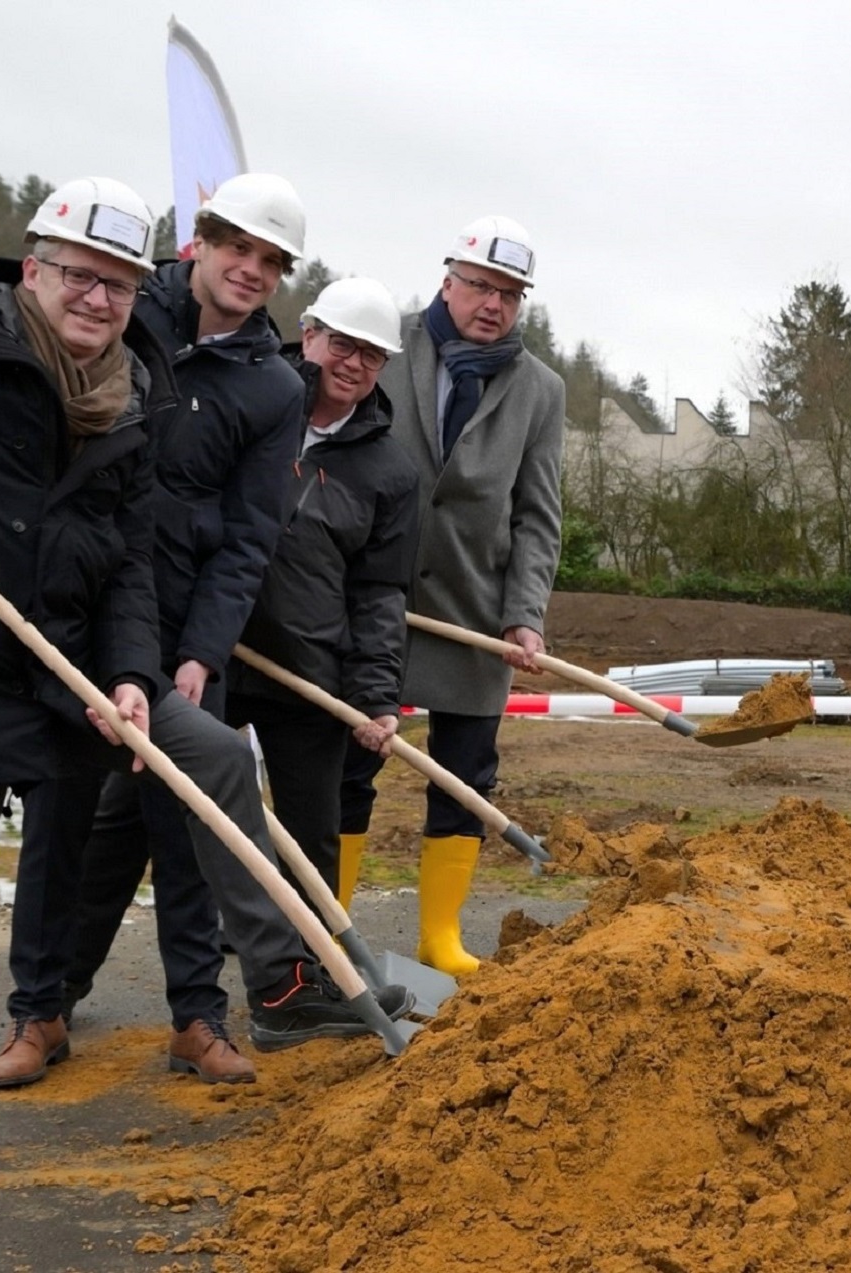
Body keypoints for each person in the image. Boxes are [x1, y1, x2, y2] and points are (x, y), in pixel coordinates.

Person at [0, 179, 407, 1168]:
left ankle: (285, 983)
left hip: (69, 658)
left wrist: (130, 676)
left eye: (115, 283)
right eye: (79, 276)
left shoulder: (128, 395)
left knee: (209, 757)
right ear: (34, 268)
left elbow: (128, 555)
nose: (98, 299)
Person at [0, 174, 343, 1089]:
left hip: (190, 630)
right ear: (201, 240)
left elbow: (250, 535)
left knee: (190, 829)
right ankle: (39, 1013)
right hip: (85, 611)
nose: (252, 270)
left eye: (273, 262)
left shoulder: (274, 387)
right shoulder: (123, 312)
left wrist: (202, 652)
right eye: (239, 247)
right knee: (61, 818)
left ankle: (199, 1016)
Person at [339, 215, 565, 976]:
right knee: (346, 766)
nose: (492, 304)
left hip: (475, 613)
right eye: (480, 286)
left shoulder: (540, 391)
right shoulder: (386, 347)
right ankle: (328, 933)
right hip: (369, 598)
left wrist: (524, 614)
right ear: (448, 279)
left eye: (510, 293)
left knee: (465, 779)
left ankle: (440, 937)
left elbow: (537, 515)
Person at [226, 278, 418, 905]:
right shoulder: (246, 406)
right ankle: (54, 987)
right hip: (209, 658)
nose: (353, 364)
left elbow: (380, 593)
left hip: (308, 675)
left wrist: (376, 694)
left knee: (312, 838)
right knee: (149, 816)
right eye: (342, 343)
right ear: (308, 334)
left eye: (371, 355)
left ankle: (312, 977)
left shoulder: (389, 471)